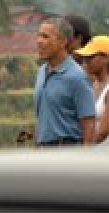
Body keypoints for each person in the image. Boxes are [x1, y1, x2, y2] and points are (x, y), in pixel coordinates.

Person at [34, 17, 97, 146]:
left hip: (68, 150)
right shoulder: (41, 72)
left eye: (45, 37)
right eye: (39, 36)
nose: (39, 41)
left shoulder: (77, 77)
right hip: (44, 151)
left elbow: (89, 125)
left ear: (62, 42)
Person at [76, 35, 109, 146]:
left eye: (91, 57)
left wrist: (83, 148)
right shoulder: (93, 85)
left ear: (106, 58)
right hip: (96, 153)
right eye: (85, 57)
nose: (86, 61)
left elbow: (102, 133)